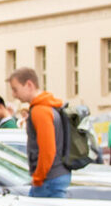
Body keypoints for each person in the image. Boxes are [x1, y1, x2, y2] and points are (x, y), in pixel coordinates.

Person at [5, 66, 73, 198]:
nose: (14, 95)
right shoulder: (49, 106)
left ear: (29, 85)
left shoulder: (39, 111)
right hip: (57, 174)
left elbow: (47, 149)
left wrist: (38, 178)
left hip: (49, 179)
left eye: (15, 89)